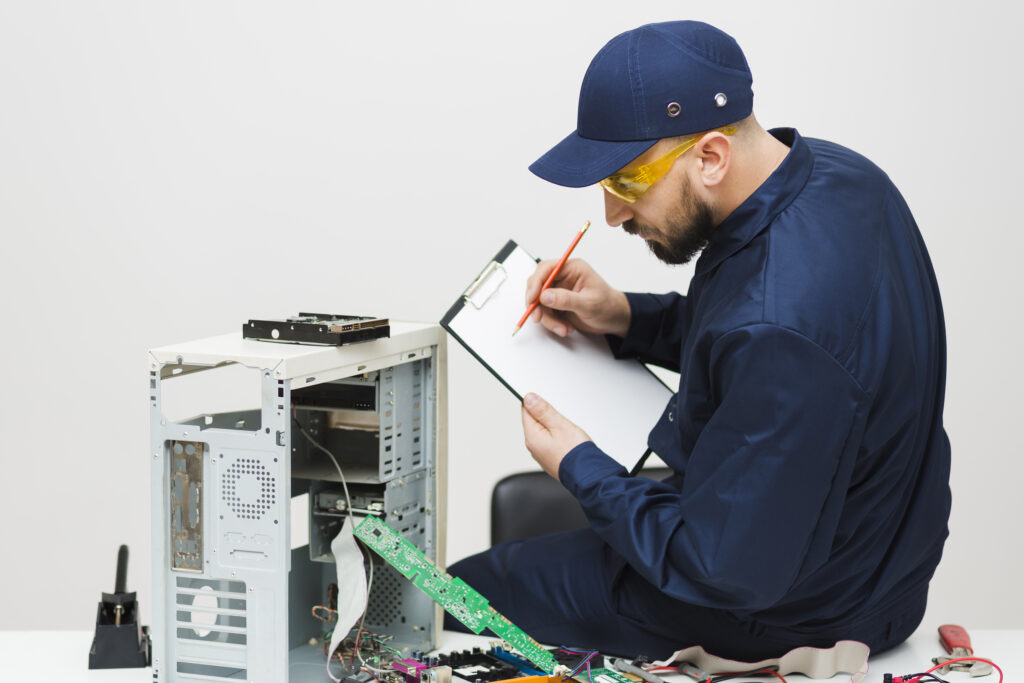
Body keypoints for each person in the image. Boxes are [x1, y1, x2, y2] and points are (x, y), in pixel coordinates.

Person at [445, 20, 951, 660]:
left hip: (788, 610)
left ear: (710, 156)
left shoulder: (777, 326)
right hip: (884, 579)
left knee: (459, 594)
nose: (613, 214)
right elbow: (771, 345)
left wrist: (579, 464)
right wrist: (628, 315)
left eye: (626, 182)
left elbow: (719, 567)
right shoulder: (845, 180)